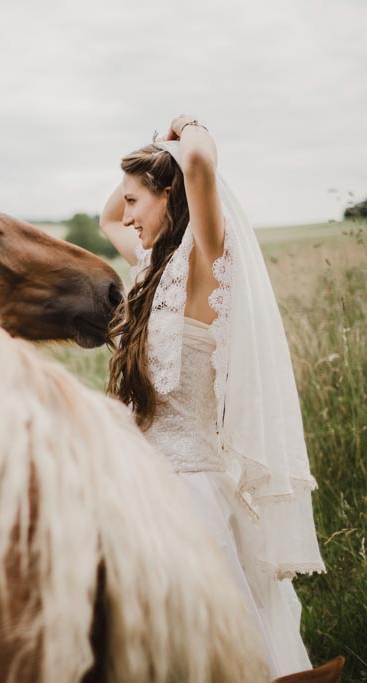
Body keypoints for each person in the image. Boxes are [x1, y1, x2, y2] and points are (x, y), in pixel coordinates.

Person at [99, 115, 325, 677]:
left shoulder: (206, 264)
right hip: (141, 487)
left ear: (170, 195)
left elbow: (198, 160)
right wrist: (145, 164)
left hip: (191, 499)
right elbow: (107, 218)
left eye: (136, 201)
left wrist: (183, 129)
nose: (126, 216)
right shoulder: (153, 271)